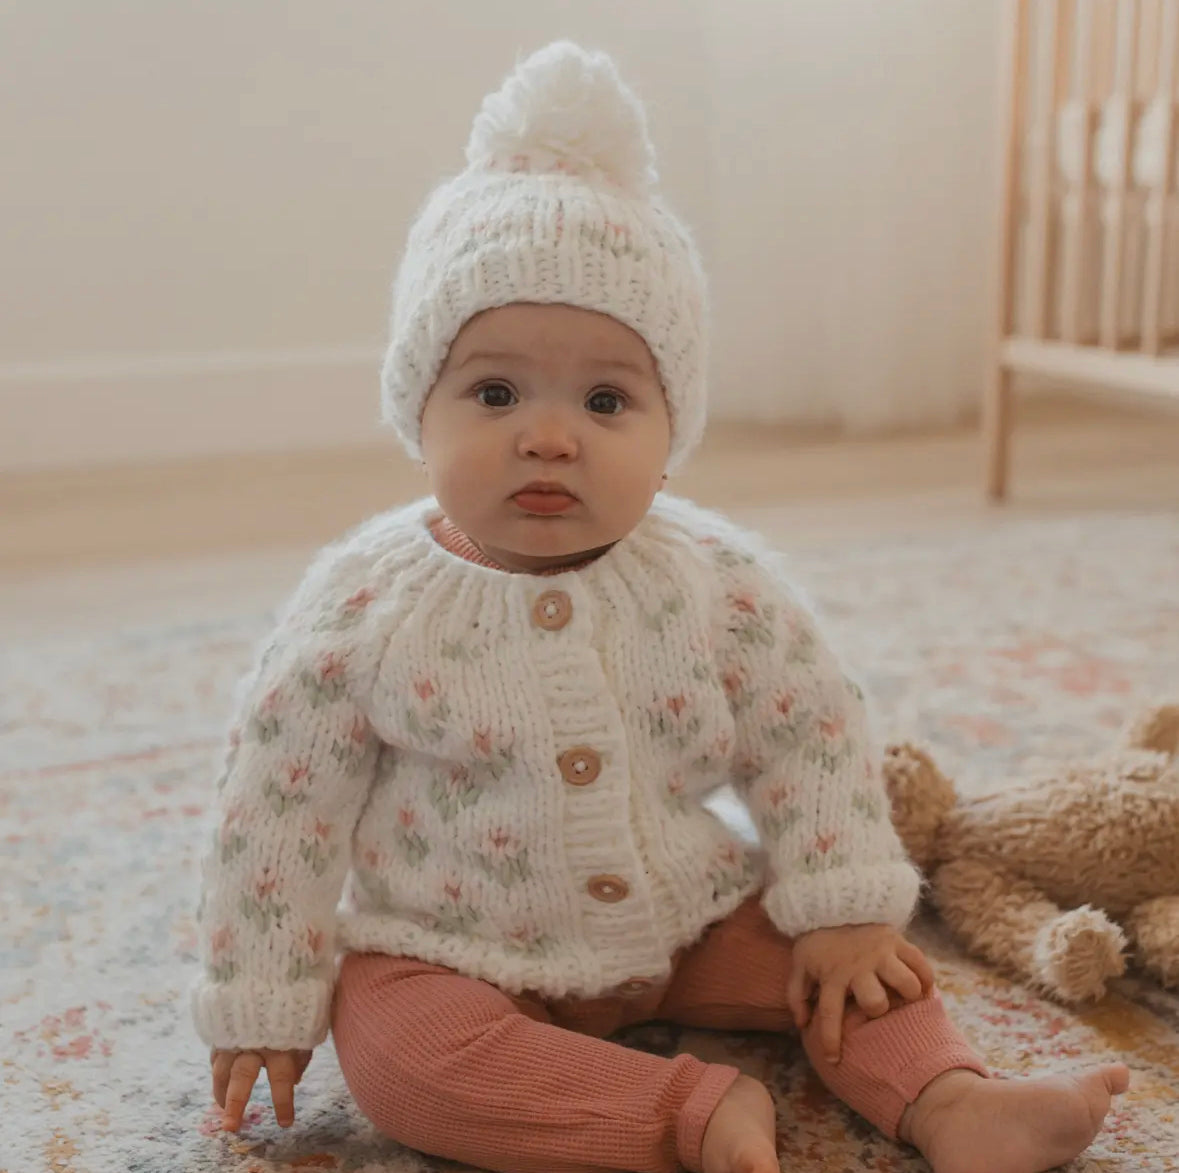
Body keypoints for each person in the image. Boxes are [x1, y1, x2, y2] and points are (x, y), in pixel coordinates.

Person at [192, 40, 1129, 1173]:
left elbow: (809, 730)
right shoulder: (365, 605)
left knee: (856, 968)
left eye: (605, 397)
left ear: (671, 436)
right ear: (418, 411)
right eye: (494, 391)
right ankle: (681, 1112)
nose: (548, 433)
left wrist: (837, 900)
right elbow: (277, 809)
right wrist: (260, 993)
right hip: (446, 943)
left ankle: (954, 1100)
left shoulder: (714, 582)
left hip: (683, 917)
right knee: (399, 1059)